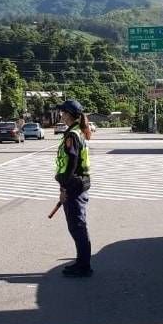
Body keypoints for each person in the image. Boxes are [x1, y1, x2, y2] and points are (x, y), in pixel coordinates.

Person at [54, 100, 93, 277]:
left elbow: (72, 163)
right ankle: (81, 262)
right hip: (78, 183)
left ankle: (84, 266)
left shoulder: (73, 135)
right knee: (78, 226)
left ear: (69, 114)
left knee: (78, 226)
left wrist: (64, 187)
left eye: (63, 112)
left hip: (74, 185)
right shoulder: (77, 131)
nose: (61, 115)